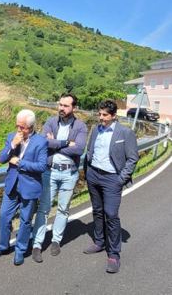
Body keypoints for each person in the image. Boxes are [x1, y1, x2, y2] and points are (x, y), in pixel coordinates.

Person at [83, 99, 139, 274]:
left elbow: (132, 158)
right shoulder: (95, 130)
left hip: (112, 179)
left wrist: (120, 179)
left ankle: (114, 254)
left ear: (114, 116)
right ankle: (99, 242)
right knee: (97, 211)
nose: (101, 118)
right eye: (99, 114)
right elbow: (89, 152)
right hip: (94, 175)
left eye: (105, 115)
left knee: (111, 214)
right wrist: (88, 172)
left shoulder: (125, 133)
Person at [31, 93, 88, 263]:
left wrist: (55, 143)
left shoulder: (80, 126)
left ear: (74, 107)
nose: (61, 108)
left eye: (66, 105)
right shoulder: (50, 121)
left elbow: (79, 149)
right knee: (44, 208)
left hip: (69, 173)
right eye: (60, 105)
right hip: (50, 171)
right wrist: (65, 143)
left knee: (63, 208)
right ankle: (37, 243)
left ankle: (56, 240)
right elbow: (43, 142)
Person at [0, 109, 48, 266]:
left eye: (23, 127)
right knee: (4, 217)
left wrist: (20, 163)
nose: (19, 130)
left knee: (25, 220)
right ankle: (3, 246)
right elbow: (1, 158)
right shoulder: (11, 137)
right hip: (12, 185)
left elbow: (41, 166)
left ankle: (20, 250)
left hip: (30, 187)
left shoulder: (40, 142)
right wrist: (12, 145)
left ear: (31, 126)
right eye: (17, 126)